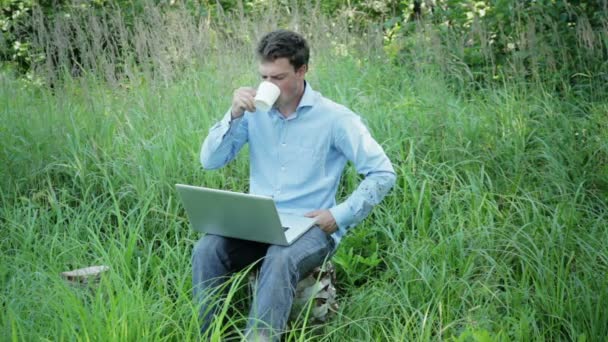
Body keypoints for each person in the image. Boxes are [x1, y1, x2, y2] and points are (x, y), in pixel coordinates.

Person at [192, 29, 396, 341]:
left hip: (310, 227)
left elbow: (383, 173)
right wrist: (232, 115)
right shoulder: (251, 114)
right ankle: (211, 336)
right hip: (259, 224)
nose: (268, 85)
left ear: (302, 71)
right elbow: (210, 161)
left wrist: (338, 215)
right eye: (264, 77)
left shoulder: (336, 118)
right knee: (207, 249)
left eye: (278, 77)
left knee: (281, 256)